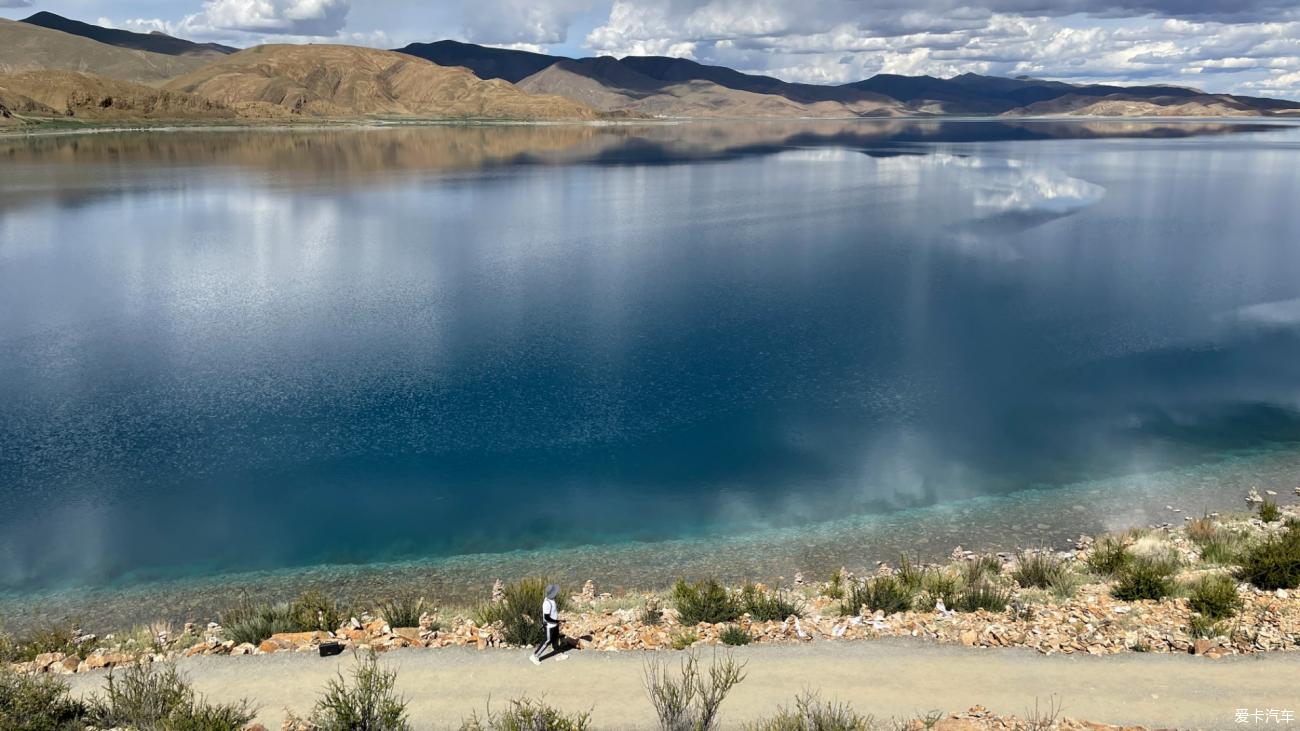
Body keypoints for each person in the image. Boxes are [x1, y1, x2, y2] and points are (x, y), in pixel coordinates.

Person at [531, 583, 568, 664]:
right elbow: (547, 617)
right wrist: (558, 621)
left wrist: (557, 622)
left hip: (554, 625)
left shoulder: (552, 599)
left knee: (555, 640)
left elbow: (552, 614)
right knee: (547, 641)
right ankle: (535, 656)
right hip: (549, 626)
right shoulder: (547, 603)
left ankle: (558, 654)